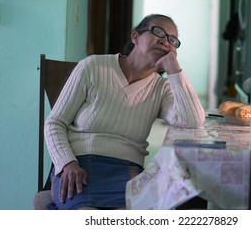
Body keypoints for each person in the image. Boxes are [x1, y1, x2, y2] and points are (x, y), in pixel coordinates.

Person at [44, 14, 205, 210]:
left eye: (172, 40)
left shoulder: (161, 89)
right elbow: (55, 122)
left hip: (128, 173)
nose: (165, 42)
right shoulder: (93, 66)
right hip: (79, 167)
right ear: (135, 37)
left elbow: (192, 120)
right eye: (158, 32)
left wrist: (174, 69)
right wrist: (67, 163)